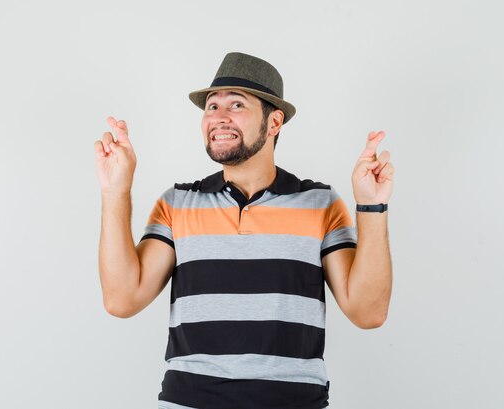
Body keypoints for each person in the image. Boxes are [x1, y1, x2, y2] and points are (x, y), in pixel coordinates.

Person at [95, 52, 394, 409]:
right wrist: (116, 191)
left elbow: (368, 312)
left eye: (236, 104)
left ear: (274, 122)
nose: (218, 118)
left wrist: (371, 206)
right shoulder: (177, 203)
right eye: (211, 106)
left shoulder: (319, 202)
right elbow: (121, 299)